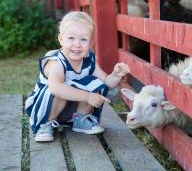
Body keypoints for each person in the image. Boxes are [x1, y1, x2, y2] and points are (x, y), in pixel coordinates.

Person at [25, 11, 130, 142]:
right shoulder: (55, 61)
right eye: (71, 38)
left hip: (69, 111)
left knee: (95, 82)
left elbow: (106, 83)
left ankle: (80, 120)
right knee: (61, 89)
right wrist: (87, 96)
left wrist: (115, 75)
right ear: (61, 39)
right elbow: (55, 88)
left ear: (91, 43)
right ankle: (44, 125)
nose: (77, 44)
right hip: (44, 108)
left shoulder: (89, 60)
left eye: (83, 39)